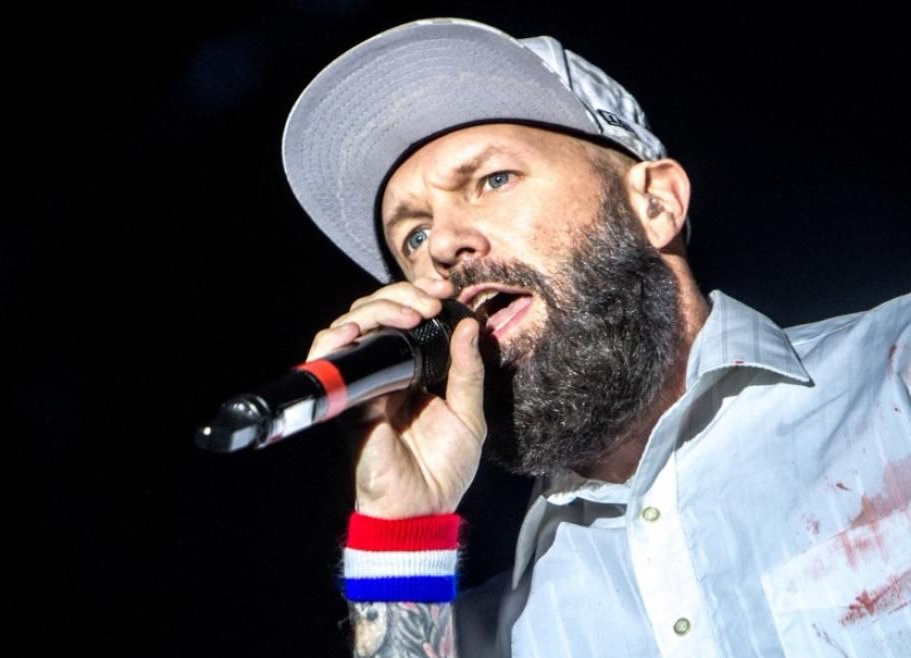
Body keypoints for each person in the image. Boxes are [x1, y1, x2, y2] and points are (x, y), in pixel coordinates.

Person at [281, 18, 910, 658]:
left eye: (493, 180)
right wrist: (401, 528)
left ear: (656, 204)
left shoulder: (894, 371)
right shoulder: (487, 637)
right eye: (413, 236)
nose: (442, 244)